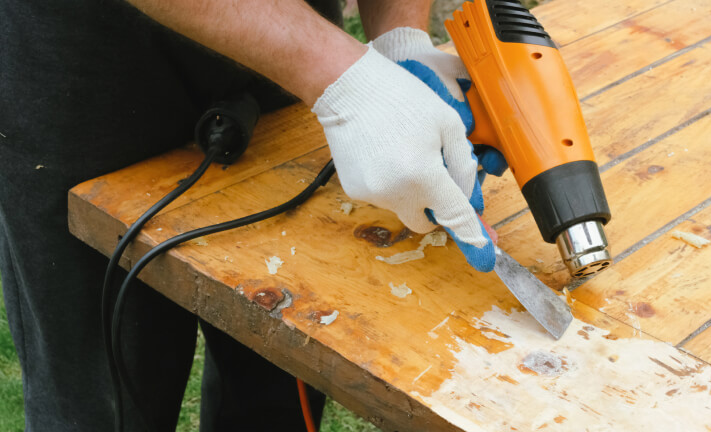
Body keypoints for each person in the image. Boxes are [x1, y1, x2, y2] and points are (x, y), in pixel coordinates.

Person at [0, 0, 506, 430]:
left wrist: (399, 37)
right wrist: (338, 75)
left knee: (279, 373)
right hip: (80, 57)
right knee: (103, 394)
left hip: (297, 50)